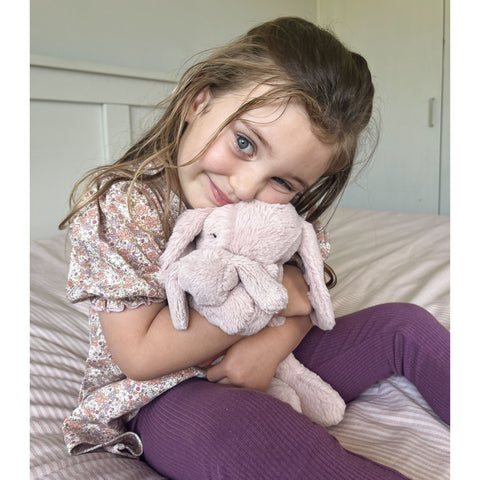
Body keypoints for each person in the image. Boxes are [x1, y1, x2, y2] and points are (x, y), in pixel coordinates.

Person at [60, 16, 449, 480]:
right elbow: (140, 355)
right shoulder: (123, 204)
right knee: (247, 434)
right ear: (198, 102)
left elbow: (309, 291)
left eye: (282, 180)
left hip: (278, 362)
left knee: (405, 326)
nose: (245, 188)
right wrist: (278, 299)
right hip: (162, 393)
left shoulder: (278, 214)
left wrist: (271, 344)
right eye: (244, 143)